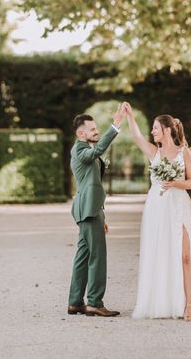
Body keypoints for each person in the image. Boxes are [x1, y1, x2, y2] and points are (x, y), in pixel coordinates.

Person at [122, 102, 191, 321]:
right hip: (157, 210)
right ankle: (166, 301)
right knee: (161, 254)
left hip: (179, 207)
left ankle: (189, 304)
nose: (152, 132)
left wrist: (174, 182)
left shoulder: (184, 153)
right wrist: (129, 115)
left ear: (167, 130)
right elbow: (137, 137)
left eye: (156, 128)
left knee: (185, 256)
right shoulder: (153, 153)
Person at [67, 104, 126, 317]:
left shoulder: (84, 150)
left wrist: (103, 213)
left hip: (90, 210)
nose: (96, 132)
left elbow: (93, 185)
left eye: (96, 129)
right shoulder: (80, 150)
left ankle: (75, 302)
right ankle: (94, 302)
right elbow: (99, 149)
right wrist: (116, 125)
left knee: (83, 256)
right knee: (98, 256)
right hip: (88, 211)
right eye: (92, 130)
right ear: (81, 133)